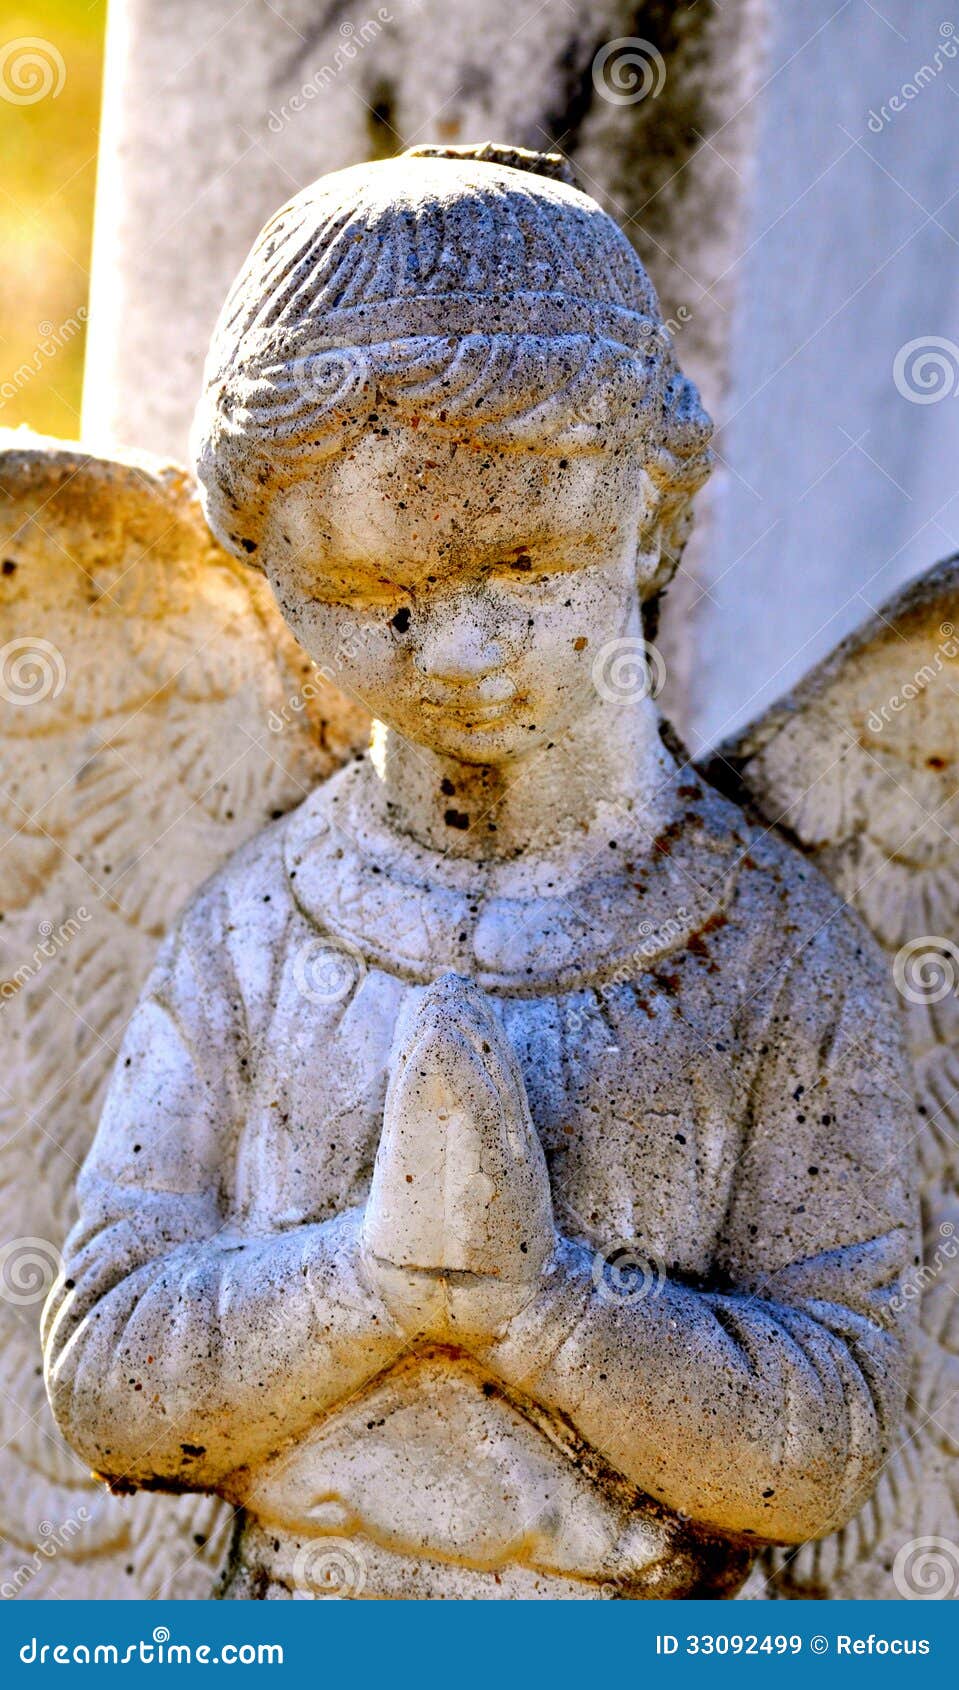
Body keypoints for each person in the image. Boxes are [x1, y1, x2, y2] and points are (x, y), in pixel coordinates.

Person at [43, 146, 918, 1600]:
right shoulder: (263, 929)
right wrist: (362, 1286)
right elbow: (105, 1365)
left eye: (524, 569)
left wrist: (550, 1315)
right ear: (264, 563)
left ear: (650, 508)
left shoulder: (770, 951)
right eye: (377, 597)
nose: (454, 650)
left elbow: (824, 1437)